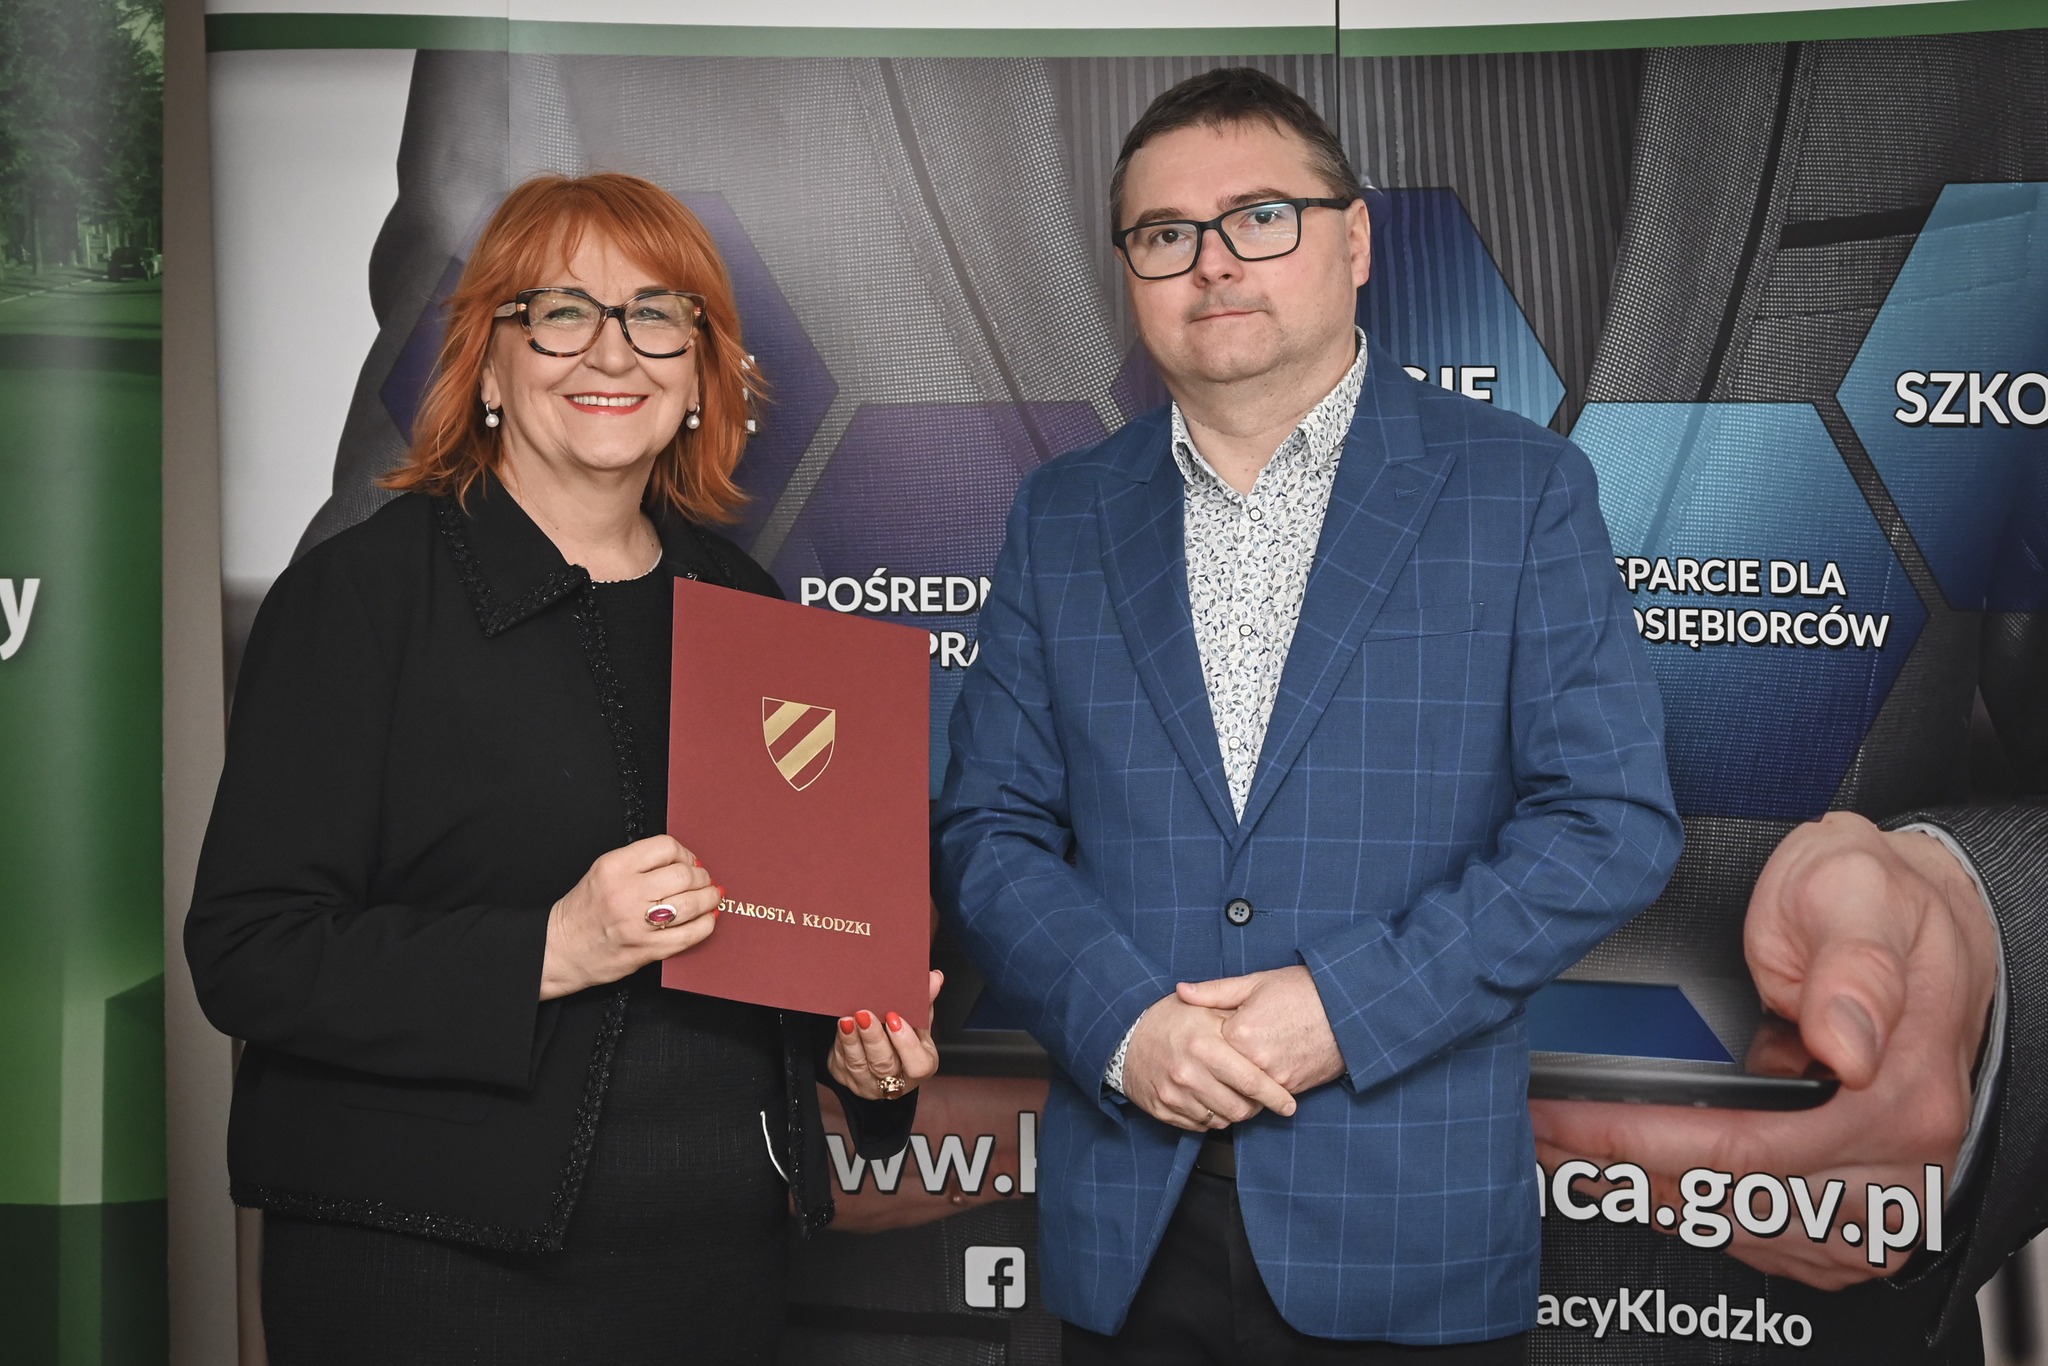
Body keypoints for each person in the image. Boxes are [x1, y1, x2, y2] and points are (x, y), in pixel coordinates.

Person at [932, 68, 1683, 1363]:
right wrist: (1124, 1024)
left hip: (1407, 1234)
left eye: (1260, 216)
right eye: (1166, 233)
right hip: (1131, 1227)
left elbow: (1608, 823)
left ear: (1355, 239)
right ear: (1129, 272)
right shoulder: (1061, 515)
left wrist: (1341, 1010)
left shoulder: (1518, 489)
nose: (1212, 262)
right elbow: (990, 828)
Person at [183, 172, 939, 1366]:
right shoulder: (360, 597)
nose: (612, 350)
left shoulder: (752, 611)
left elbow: (776, 945)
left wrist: (861, 1066)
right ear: (488, 366)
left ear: (700, 374)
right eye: (560, 312)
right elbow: (248, 951)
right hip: (424, 1273)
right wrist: (550, 947)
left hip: (712, 1275)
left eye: (655, 314)